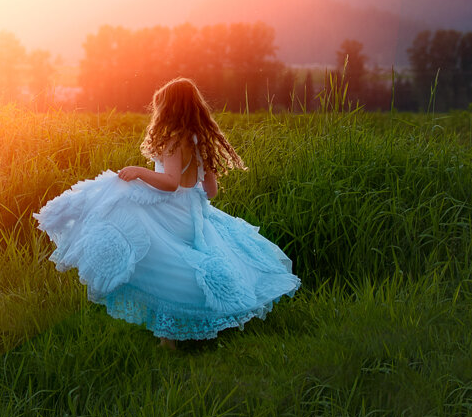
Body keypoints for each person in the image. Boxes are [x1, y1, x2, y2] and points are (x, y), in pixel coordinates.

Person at [34, 77, 299, 347]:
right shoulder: (200, 141)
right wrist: (191, 186)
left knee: (156, 256)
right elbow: (211, 191)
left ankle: (168, 341)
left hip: (172, 212)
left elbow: (170, 183)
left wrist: (140, 172)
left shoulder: (174, 140)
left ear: (170, 109)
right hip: (193, 214)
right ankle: (179, 331)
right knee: (178, 262)